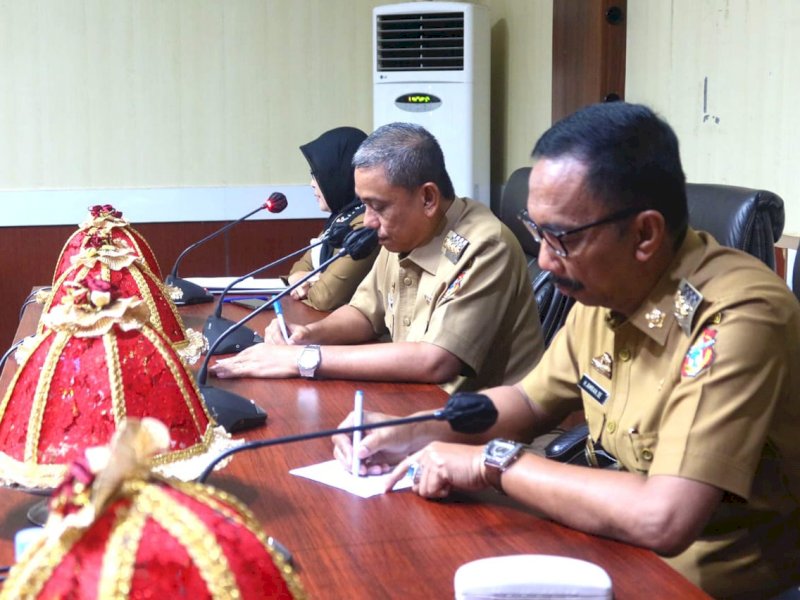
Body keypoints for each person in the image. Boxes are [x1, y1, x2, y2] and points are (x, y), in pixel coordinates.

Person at [332, 104, 800, 599]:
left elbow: (664, 517)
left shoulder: (735, 316)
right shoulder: (606, 286)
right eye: (538, 232)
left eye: (561, 238)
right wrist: (414, 430)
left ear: (644, 234)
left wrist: (493, 461)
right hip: (606, 546)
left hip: (700, 580)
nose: (546, 261)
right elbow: (529, 402)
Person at [211, 122, 544, 393]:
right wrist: (307, 335)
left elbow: (436, 360)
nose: (368, 221)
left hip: (490, 439)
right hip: (414, 407)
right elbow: (364, 313)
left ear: (427, 198)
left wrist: (303, 359)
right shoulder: (401, 233)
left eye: (378, 206)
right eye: (365, 205)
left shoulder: (484, 245)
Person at [286, 126, 379, 311]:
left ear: (340, 174)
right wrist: (306, 279)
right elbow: (297, 270)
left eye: (317, 175)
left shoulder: (366, 224)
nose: (312, 184)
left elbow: (325, 297)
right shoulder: (340, 218)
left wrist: (308, 282)